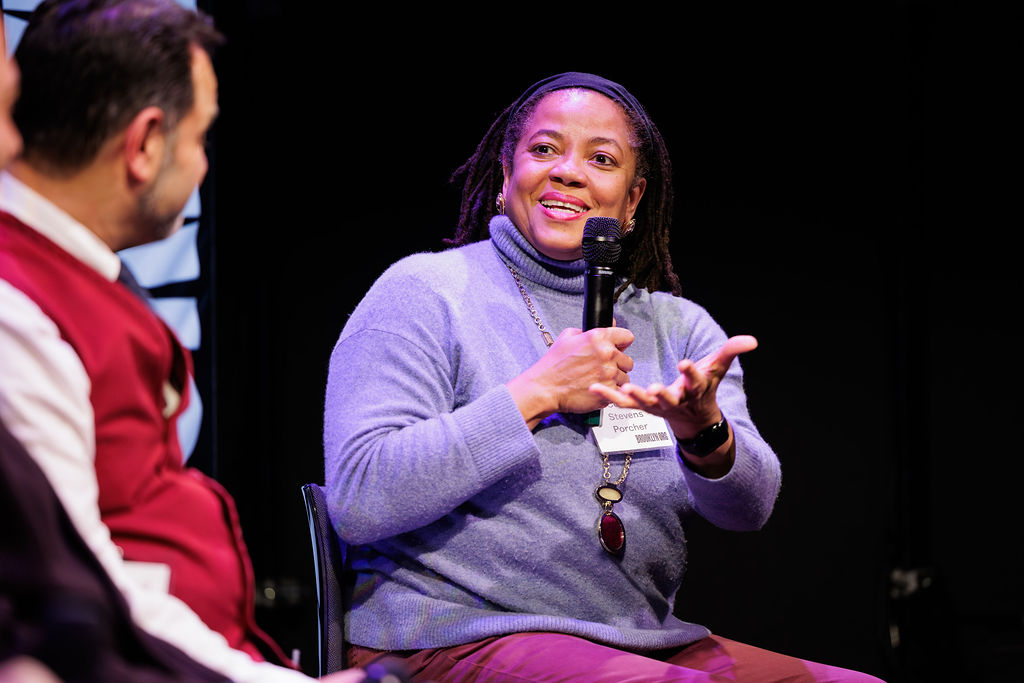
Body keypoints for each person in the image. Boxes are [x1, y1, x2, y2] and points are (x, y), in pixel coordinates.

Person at [322, 72, 885, 681]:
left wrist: (703, 431)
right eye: (543, 150)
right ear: (505, 175)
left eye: (601, 158)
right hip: (451, 637)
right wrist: (537, 392)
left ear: (633, 199)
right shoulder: (424, 293)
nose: (568, 172)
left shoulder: (680, 330)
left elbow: (749, 509)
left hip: (634, 643)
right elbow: (360, 497)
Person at [0, 2, 366, 681]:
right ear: (142, 145)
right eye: (201, 138)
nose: (202, 165)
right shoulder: (18, 308)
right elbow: (91, 585)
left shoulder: (83, 275)